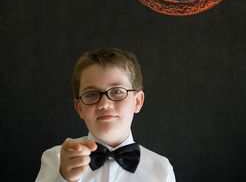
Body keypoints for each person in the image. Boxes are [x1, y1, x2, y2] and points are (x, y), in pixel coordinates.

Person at [35, 47, 176, 181]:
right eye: (91, 94)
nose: (104, 104)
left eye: (117, 91)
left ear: (137, 102)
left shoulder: (162, 169)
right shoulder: (56, 158)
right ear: (79, 108)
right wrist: (64, 179)